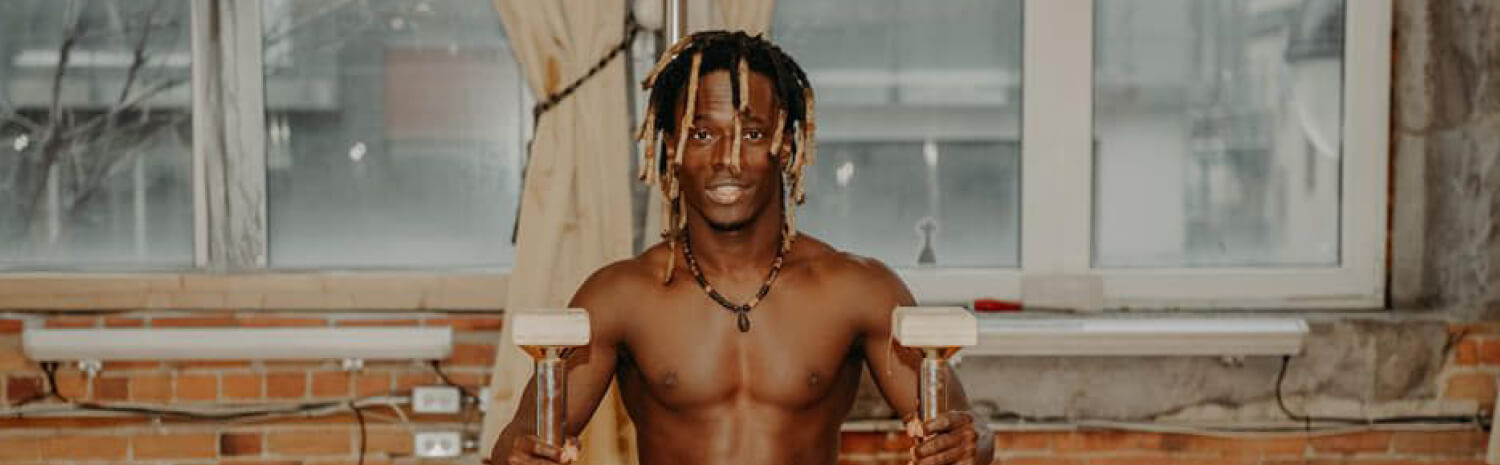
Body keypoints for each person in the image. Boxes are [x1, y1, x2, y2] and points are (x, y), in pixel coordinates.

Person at [493, 30, 994, 465]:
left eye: (752, 133)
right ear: (670, 149)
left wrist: (972, 442)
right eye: (701, 133)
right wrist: (519, 453)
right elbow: (520, 438)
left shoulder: (857, 290)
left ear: (788, 146)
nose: (726, 159)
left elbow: (964, 427)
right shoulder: (622, 295)